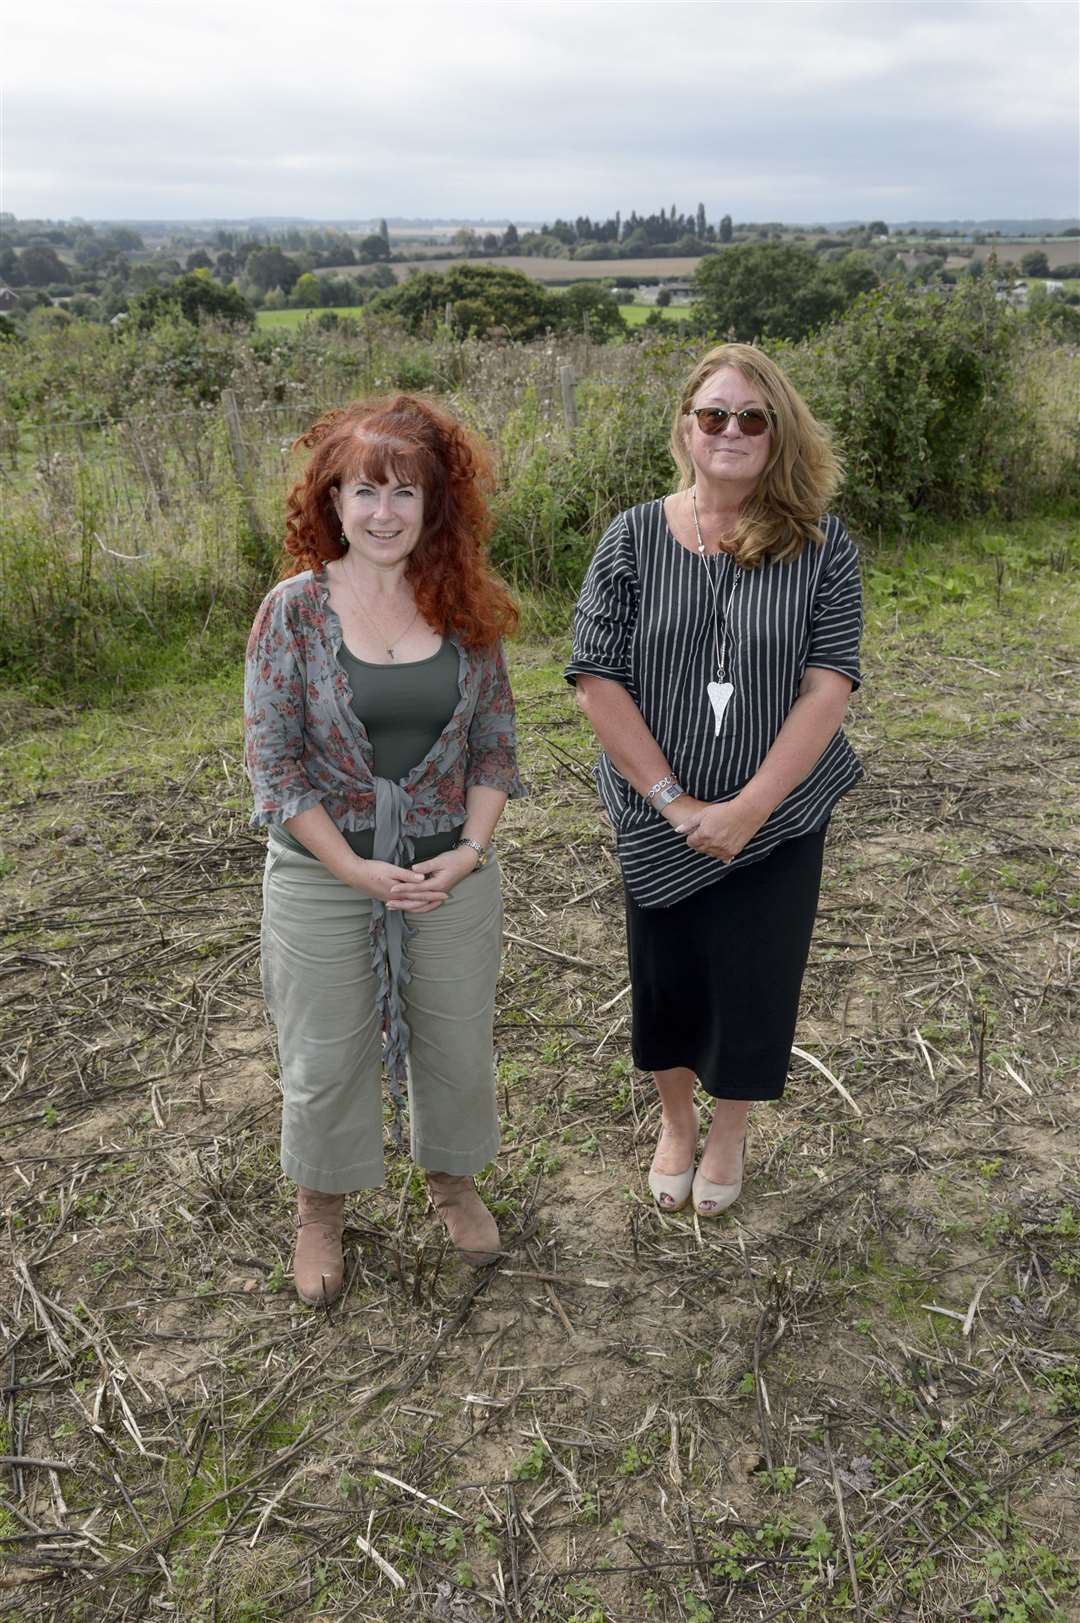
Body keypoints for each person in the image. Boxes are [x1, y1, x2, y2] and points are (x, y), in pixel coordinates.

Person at [566, 343, 862, 1218]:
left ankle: (729, 1129)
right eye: (713, 415)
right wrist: (676, 800)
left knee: (757, 975)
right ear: (687, 428)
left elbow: (828, 685)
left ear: (778, 433)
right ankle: (676, 1121)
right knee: (668, 976)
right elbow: (595, 676)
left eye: (751, 417)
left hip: (778, 816)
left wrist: (750, 807)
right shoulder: (629, 536)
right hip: (658, 813)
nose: (730, 430)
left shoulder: (822, 545)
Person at [244, 395, 522, 1305]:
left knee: (453, 1040)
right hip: (326, 872)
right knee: (326, 1052)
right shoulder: (292, 613)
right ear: (330, 500)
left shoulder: (465, 604)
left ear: (435, 505)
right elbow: (277, 770)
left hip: (448, 868)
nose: (383, 513)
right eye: (364, 490)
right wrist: (354, 866)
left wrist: (471, 851)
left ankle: (450, 1180)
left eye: (406, 492)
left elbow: (493, 748)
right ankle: (319, 1208)